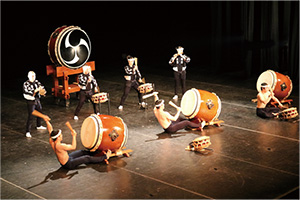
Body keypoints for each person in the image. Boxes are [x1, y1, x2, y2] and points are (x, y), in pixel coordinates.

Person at [36, 111, 111, 170]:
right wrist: (74, 136)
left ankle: (96, 153)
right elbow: (73, 147)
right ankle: (104, 157)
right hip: (68, 164)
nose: (62, 136)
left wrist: (46, 121)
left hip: (68, 158)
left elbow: (50, 130)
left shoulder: (52, 141)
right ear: (58, 137)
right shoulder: (60, 146)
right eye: (60, 135)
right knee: (87, 158)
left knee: (82, 152)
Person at [23, 71, 47, 138]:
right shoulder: (26, 84)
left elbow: (42, 87)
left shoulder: (37, 82)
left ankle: (39, 125)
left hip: (37, 99)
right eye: (32, 76)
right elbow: (27, 92)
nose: (33, 77)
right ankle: (28, 131)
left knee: (40, 112)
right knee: (31, 116)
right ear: (28, 76)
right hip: (30, 100)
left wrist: (43, 91)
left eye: (34, 75)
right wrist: (35, 91)